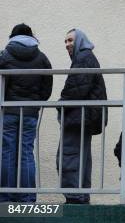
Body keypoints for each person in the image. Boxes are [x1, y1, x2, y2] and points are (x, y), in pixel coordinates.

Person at [0, 24, 52, 202]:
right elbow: (47, 87)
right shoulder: (41, 57)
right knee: (26, 152)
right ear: (31, 36)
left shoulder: (4, 55)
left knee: (7, 152)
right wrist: (36, 103)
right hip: (30, 112)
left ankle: (5, 196)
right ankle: (27, 197)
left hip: (7, 111)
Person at [57, 29, 107, 204]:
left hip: (78, 117)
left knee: (69, 156)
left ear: (80, 41)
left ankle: (75, 197)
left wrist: (60, 104)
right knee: (81, 159)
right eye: (65, 41)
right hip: (83, 117)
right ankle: (81, 197)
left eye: (70, 40)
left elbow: (75, 89)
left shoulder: (83, 57)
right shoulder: (86, 57)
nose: (67, 44)